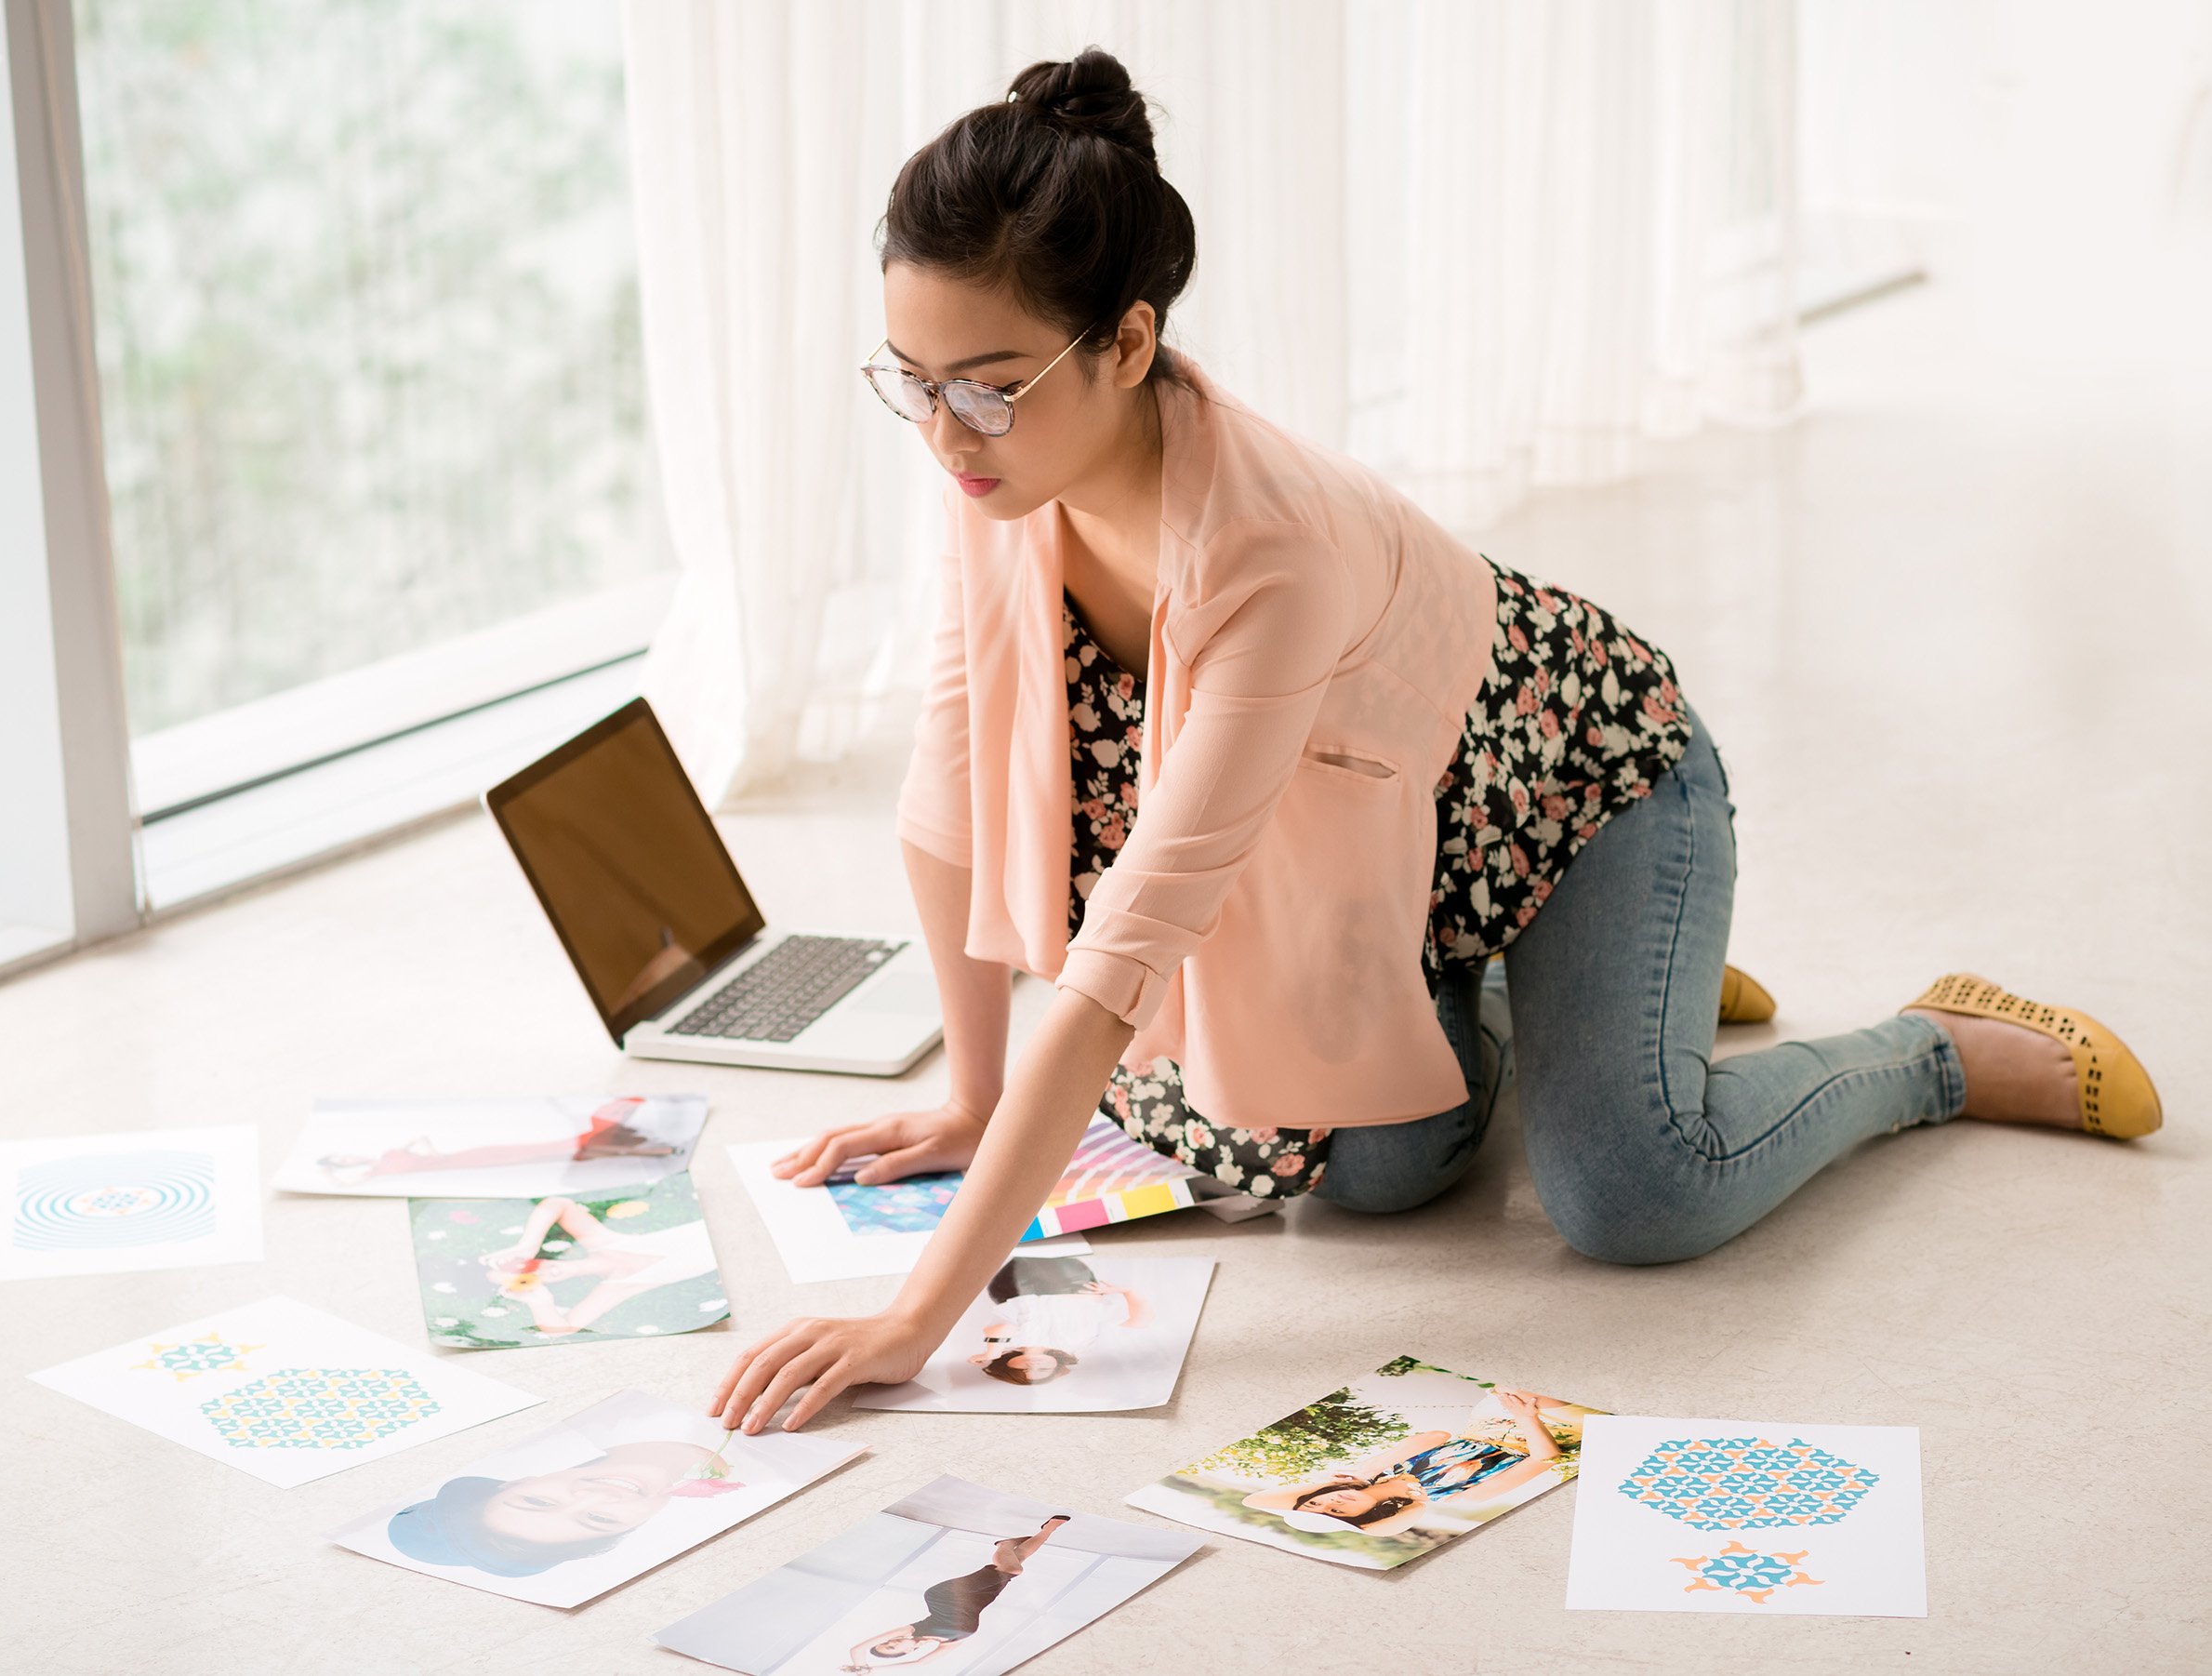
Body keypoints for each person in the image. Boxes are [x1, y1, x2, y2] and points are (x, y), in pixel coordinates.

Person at [711, 48, 2164, 1437]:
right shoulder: (1005, 471)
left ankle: (1932, 1052)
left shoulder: (1264, 549)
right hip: (1397, 858)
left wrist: (917, 1319)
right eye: (911, 378)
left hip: (1590, 788)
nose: (944, 430)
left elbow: (1118, 970)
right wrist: (968, 1098)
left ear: (1131, 340)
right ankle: (1581, 990)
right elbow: (948, 798)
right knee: (1380, 1172)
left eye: (986, 382)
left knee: (1635, 1196)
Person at [1238, 1390, 1572, 1540]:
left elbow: (1436, 1435)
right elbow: (1547, 1457)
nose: (1332, 1502)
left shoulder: (1384, 1470)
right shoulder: (1457, 1496)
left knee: (1507, 1388)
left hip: (1490, 1418)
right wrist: (1525, 1418)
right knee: (1523, 1391)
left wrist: (1369, 1468)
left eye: (1315, 1502)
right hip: (1548, 1429)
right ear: (1367, 1515)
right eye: (1337, 1513)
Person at [386, 1437, 738, 1578]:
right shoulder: (748, 1492)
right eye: (599, 1519)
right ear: (639, 1524)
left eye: (537, 1501)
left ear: (519, 1481)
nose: (595, 1497)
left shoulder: (606, 1423)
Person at [842, 1515, 1069, 1670]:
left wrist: (861, 1667)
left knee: (1012, 1568)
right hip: (981, 1599)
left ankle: (1004, 1545)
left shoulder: (911, 1630)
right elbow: (920, 1664)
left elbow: (857, 1648)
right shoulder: (950, 1642)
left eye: (887, 1642)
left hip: (944, 1596)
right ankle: (1048, 1529)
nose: (893, 1641)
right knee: (1015, 1563)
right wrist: (876, 1669)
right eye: (893, 1647)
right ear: (905, 1652)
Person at [481, 1194, 715, 1336]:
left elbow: (558, 1203)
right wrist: (538, 1299)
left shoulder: (600, 1241)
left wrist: (527, 1245)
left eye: (522, 1267)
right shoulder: (617, 1286)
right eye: (523, 1282)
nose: (537, 1274)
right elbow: (562, 1329)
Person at [318, 1097, 673, 1185]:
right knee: (543, 1157)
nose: (349, 1159)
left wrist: (434, 1153)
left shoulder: (386, 1157)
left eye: (344, 1157)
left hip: (463, 1157)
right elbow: (334, 1181)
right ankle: (638, 1145)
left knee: (548, 1150)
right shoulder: (375, 1172)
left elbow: (419, 1138)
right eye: (342, 1161)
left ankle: (639, 1143)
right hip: (464, 1168)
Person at [965, 1257, 1146, 1385]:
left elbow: (1003, 1328)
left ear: (1007, 1366)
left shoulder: (1007, 1345)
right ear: (1056, 1368)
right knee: (1060, 1253)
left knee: (1032, 1251)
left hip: (1016, 1288)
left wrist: (991, 1354)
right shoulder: (1080, 1344)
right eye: (1042, 1371)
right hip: (1072, 1285)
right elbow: (1138, 1322)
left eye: (1022, 1371)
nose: (1032, 1367)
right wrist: (1127, 1292)